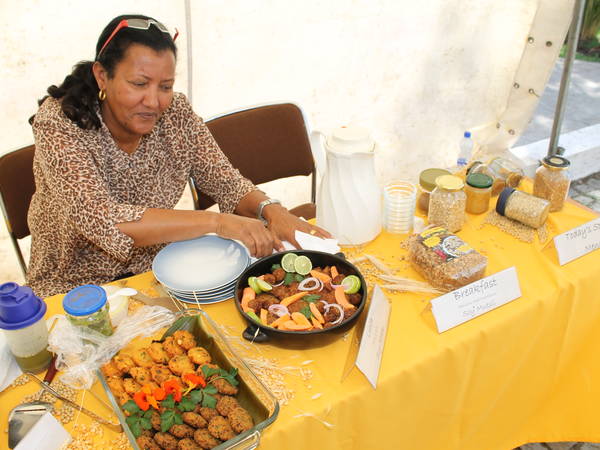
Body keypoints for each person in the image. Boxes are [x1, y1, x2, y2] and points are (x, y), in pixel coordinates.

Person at [27, 14, 330, 298]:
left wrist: (273, 211)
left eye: (166, 86)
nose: (153, 101)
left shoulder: (176, 113)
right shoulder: (57, 123)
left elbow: (225, 180)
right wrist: (219, 223)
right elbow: (104, 220)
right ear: (102, 76)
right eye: (139, 84)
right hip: (71, 288)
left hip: (156, 271)